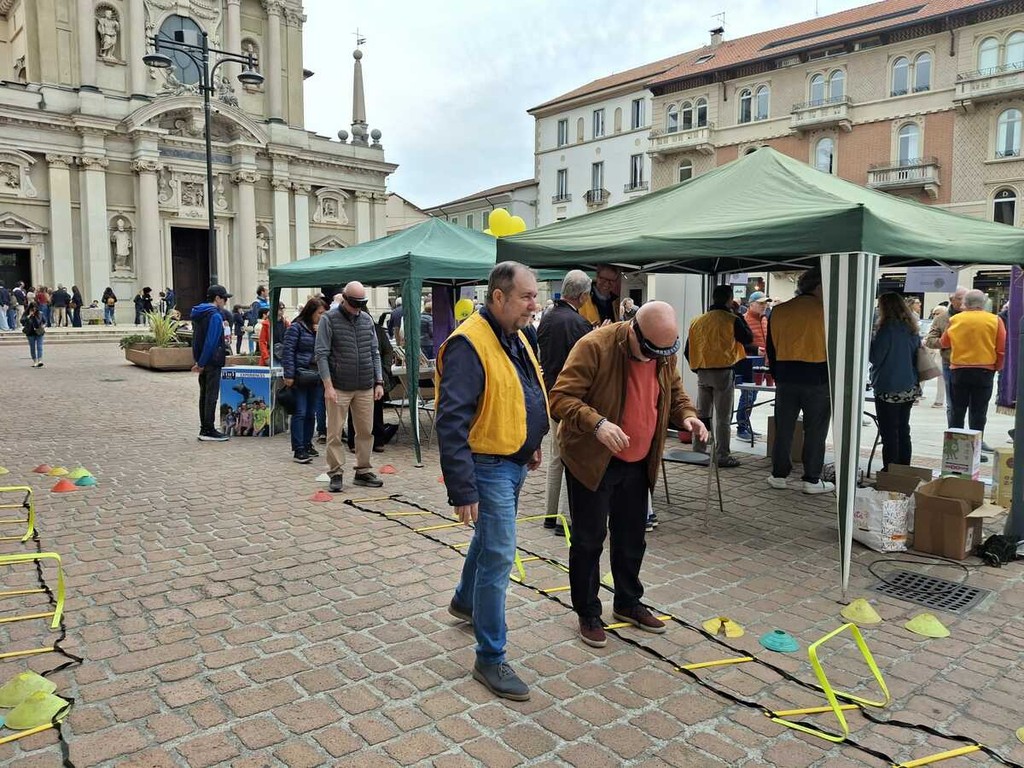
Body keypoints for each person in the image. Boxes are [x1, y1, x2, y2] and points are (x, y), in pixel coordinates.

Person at [550, 301, 706, 648]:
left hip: (638, 460)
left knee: (632, 537)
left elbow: (675, 393)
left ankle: (627, 601)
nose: (655, 358)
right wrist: (598, 424)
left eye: (663, 352)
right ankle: (588, 612)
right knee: (589, 540)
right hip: (593, 460)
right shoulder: (595, 346)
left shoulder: (662, 353)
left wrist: (687, 416)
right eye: (648, 350)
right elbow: (560, 398)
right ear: (634, 328)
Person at [436, 261, 547, 701]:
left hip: (512, 459)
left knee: (488, 542)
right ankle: (490, 656)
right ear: (498, 297)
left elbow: (524, 391)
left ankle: (465, 601)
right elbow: (451, 421)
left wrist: (530, 441)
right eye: (527, 297)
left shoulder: (517, 334)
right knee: (500, 555)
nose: (534, 305)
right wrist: (462, 489)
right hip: (489, 465)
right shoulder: (468, 344)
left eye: (535, 296)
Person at [766, 268, 834, 494]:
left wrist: (777, 374)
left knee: (784, 428)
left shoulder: (779, 311)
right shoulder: (827, 311)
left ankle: (779, 475)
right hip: (818, 376)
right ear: (819, 286)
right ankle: (811, 479)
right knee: (815, 430)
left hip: (786, 375)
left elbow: (771, 348)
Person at [314, 281, 385, 492]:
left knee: (365, 431)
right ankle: (335, 472)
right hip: (339, 386)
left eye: (362, 303)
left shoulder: (366, 320)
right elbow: (321, 354)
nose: (357, 308)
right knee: (335, 432)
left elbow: (375, 352)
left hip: (365, 385)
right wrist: (328, 386)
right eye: (355, 303)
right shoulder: (329, 319)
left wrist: (379, 381)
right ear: (344, 299)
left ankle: (363, 470)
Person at [537, 269, 593, 536]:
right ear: (582, 296)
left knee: (556, 456)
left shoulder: (547, 318)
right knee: (571, 457)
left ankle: (550, 514)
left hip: (551, 393)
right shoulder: (579, 323)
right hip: (571, 398)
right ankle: (565, 519)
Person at [684, 284, 753, 468]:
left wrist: (698, 369)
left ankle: (698, 452)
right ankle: (722, 456)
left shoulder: (697, 320)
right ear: (730, 299)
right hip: (723, 371)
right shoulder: (732, 319)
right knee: (723, 417)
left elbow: (687, 350)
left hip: (703, 372)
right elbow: (748, 338)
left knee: (702, 414)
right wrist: (738, 315)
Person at [941, 288, 1006, 461]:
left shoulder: (955, 319)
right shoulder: (995, 320)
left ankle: (955, 455)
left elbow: (944, 342)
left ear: (965, 303)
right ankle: (974, 454)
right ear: (984, 303)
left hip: (959, 370)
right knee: (979, 412)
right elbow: (1001, 348)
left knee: (957, 411)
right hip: (984, 371)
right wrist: (997, 367)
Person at [869, 293, 922, 472]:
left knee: (889, 431)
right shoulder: (911, 328)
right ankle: (904, 468)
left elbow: (876, 358)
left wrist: (869, 343)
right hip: (909, 385)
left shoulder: (887, 330)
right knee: (903, 429)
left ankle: (890, 469)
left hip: (888, 387)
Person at [283, 297, 329, 462]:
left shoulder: (321, 329)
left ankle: (308, 443)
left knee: (311, 412)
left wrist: (320, 333)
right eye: (320, 313)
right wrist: (289, 374)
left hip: (316, 375)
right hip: (300, 375)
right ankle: (299, 448)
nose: (322, 316)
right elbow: (288, 351)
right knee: (300, 411)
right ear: (311, 312)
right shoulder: (296, 327)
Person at [347, 314, 399, 453]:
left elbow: (387, 350)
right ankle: (354, 442)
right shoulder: (349, 329)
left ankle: (378, 441)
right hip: (355, 376)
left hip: (375, 376)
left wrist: (384, 368)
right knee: (354, 411)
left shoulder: (377, 330)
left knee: (376, 411)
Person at [191, 285, 233, 442]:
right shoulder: (215, 315)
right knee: (211, 396)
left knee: (204, 395)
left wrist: (198, 360)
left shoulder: (200, 313)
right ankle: (208, 429)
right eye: (224, 298)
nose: (225, 302)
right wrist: (201, 362)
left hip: (203, 359)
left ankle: (205, 427)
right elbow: (211, 341)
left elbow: (196, 340)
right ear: (217, 298)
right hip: (212, 361)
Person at [925, 286, 967, 427]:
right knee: (953, 404)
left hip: (973, 364)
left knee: (975, 406)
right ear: (951, 300)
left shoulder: (974, 317)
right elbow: (930, 341)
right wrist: (946, 342)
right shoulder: (941, 319)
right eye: (960, 299)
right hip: (950, 363)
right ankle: (955, 432)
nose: (964, 302)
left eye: (966, 298)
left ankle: (975, 435)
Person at [737, 291, 771, 440]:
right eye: (761, 303)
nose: (764, 306)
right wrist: (755, 349)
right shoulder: (744, 319)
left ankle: (746, 425)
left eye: (765, 303)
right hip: (748, 362)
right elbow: (740, 342)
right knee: (747, 395)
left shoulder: (764, 319)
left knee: (753, 395)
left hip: (762, 363)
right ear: (751, 304)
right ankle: (741, 427)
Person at [20, 302, 45, 367]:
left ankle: (40, 360)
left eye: (35, 308)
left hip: (39, 332)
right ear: (29, 308)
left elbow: (44, 321)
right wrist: (29, 316)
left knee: (39, 346)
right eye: (32, 308)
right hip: (30, 332)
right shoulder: (26, 314)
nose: (34, 310)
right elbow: (22, 321)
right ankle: (35, 361)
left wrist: (43, 325)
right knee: (32, 347)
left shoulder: (40, 313)